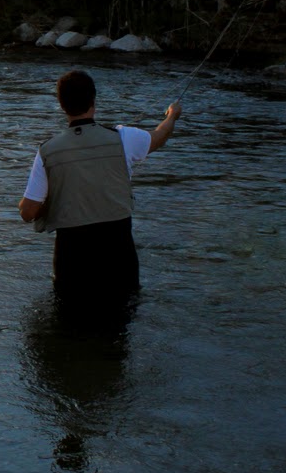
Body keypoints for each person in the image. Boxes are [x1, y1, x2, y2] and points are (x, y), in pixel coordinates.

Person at [18, 70, 180, 315]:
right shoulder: (125, 137)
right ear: (94, 101)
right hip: (118, 253)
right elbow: (160, 136)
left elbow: (28, 212)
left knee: (70, 327)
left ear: (62, 106)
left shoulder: (47, 152)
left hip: (72, 259)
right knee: (119, 329)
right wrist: (172, 116)